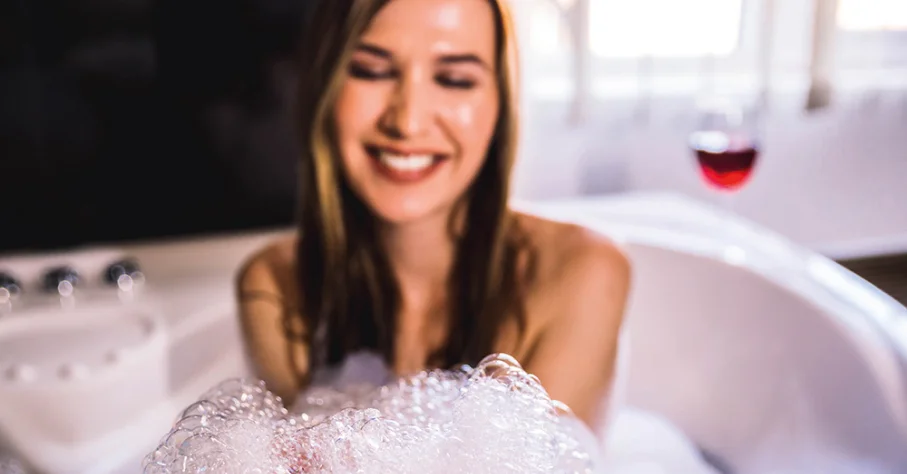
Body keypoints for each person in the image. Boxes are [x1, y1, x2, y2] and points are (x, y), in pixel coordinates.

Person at [235, 0, 630, 435]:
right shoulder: (275, 286)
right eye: (371, 70)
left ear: (499, 104)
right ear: (324, 86)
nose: (407, 121)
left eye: (454, 79)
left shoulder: (581, 272)